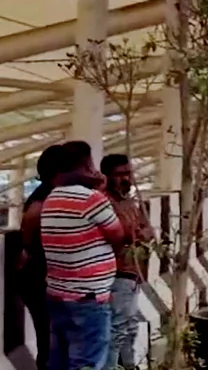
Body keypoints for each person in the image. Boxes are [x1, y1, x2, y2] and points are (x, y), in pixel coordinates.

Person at [41, 141, 125, 370]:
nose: (93, 170)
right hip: (88, 297)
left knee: (59, 360)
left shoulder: (52, 197)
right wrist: (99, 189)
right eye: (90, 165)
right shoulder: (92, 199)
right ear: (81, 167)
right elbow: (118, 235)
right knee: (86, 362)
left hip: (58, 294)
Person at [101, 154, 155, 370]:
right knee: (117, 329)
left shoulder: (128, 201)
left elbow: (144, 230)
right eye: (120, 174)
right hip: (117, 273)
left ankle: (129, 365)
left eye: (129, 173)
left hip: (132, 273)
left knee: (130, 326)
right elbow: (123, 233)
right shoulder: (105, 202)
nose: (126, 179)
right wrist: (139, 233)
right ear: (107, 177)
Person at [20, 145, 64, 370]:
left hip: (41, 278)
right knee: (50, 341)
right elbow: (32, 215)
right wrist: (28, 249)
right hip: (41, 279)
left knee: (51, 339)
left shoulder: (49, 193)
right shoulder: (46, 195)